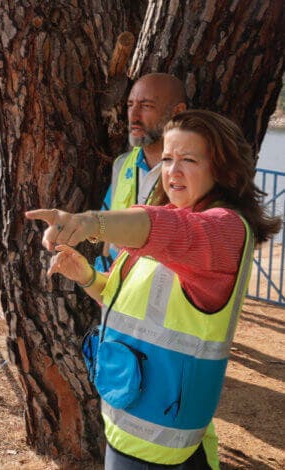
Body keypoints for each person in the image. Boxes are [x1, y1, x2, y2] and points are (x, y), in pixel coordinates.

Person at [25, 110, 281, 469]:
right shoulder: (171, 228)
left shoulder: (224, 230)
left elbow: (172, 229)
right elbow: (123, 302)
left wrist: (90, 223)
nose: (172, 171)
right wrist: (86, 276)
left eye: (188, 160)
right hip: (148, 427)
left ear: (222, 170)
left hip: (152, 448)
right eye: (167, 158)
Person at [95, 73, 187, 271]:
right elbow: (105, 235)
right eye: (130, 105)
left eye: (146, 106)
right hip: (116, 294)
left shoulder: (193, 173)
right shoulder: (123, 164)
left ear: (177, 112)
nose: (134, 117)